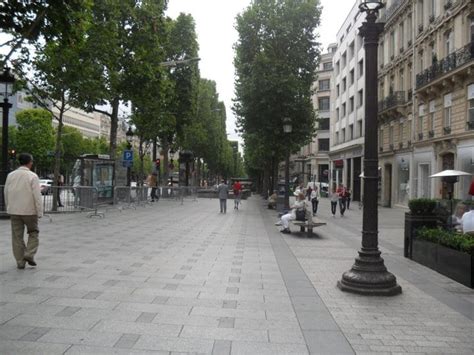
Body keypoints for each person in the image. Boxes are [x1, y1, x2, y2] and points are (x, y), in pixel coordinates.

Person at [4, 153, 43, 269]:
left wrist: (8, 206)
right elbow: (37, 196)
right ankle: (29, 254)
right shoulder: (32, 176)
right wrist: (39, 211)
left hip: (14, 211)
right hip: (30, 211)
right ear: (30, 162)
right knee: (33, 232)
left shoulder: (10, 175)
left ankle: (20, 262)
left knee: (17, 237)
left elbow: (6, 192)